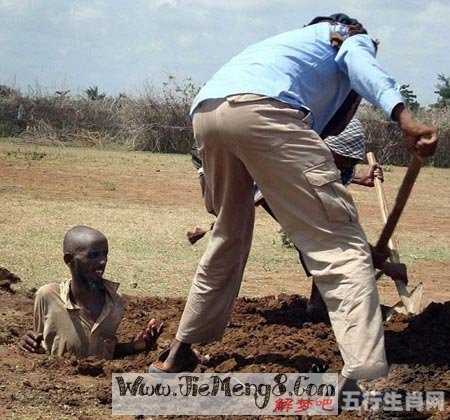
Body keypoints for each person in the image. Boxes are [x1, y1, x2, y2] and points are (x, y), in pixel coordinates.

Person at [150, 13, 438, 401]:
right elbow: (362, 65)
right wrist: (405, 118)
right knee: (340, 245)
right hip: (266, 112)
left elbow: (277, 173)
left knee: (227, 236)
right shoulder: (345, 37)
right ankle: (370, 381)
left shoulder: (283, 50)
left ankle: (178, 356)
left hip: (209, 113)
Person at [188, 117, 408, 320]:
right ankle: (203, 319)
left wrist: (360, 178)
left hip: (259, 166)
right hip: (220, 156)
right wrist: (383, 264)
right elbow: (328, 226)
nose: (343, 168)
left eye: (349, 163)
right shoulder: (288, 163)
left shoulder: (319, 157)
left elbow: (326, 191)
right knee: (238, 237)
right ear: (321, 149)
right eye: (341, 162)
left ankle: (320, 303)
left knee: (315, 236)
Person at [19, 225, 164, 359]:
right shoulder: (48, 296)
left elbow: (102, 354)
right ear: (69, 260)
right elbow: (40, 347)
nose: (103, 261)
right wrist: (30, 345)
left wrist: (136, 346)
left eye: (105, 254)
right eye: (93, 255)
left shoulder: (114, 301)